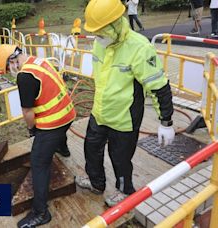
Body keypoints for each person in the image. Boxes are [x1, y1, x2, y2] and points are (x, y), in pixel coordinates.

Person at [75, 0, 175, 207]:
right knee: (91, 148)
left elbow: (158, 86)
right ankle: (96, 182)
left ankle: (125, 190)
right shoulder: (100, 42)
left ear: (115, 25)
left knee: (120, 159)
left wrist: (166, 121)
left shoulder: (139, 48)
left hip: (124, 118)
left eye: (100, 32)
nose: (97, 37)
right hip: (100, 111)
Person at [0, 44, 76, 227]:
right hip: (68, 114)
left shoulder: (25, 76)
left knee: (38, 162)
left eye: (7, 68)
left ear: (12, 61)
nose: (9, 72)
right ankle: (63, 148)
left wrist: (32, 129)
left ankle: (40, 213)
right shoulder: (39, 61)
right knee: (57, 140)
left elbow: (27, 111)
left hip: (54, 123)